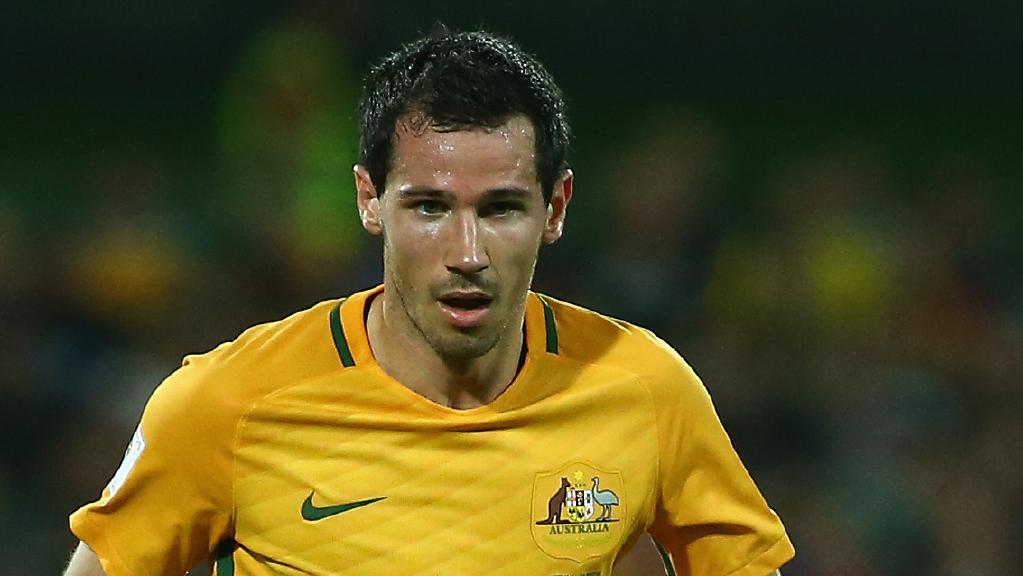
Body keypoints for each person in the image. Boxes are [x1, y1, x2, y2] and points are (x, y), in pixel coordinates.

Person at [64, 28, 794, 576]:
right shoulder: (230, 401)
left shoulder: (644, 389)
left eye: (501, 208)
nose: (467, 253)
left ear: (556, 207)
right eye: (429, 208)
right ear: (369, 201)